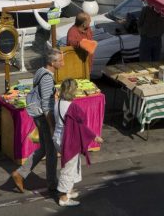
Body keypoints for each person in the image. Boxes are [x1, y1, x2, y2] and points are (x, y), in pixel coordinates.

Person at [11, 49, 64, 195]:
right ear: (52, 63)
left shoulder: (41, 71)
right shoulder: (47, 78)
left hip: (38, 115)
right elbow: (47, 107)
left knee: (44, 149)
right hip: (43, 117)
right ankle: (52, 183)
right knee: (51, 151)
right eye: (61, 61)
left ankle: (20, 174)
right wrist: (52, 126)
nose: (63, 63)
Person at [54, 78, 104, 207]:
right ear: (72, 90)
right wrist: (94, 137)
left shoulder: (58, 102)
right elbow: (81, 126)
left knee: (72, 165)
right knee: (68, 169)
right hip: (68, 141)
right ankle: (63, 198)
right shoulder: (72, 107)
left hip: (58, 139)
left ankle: (68, 191)